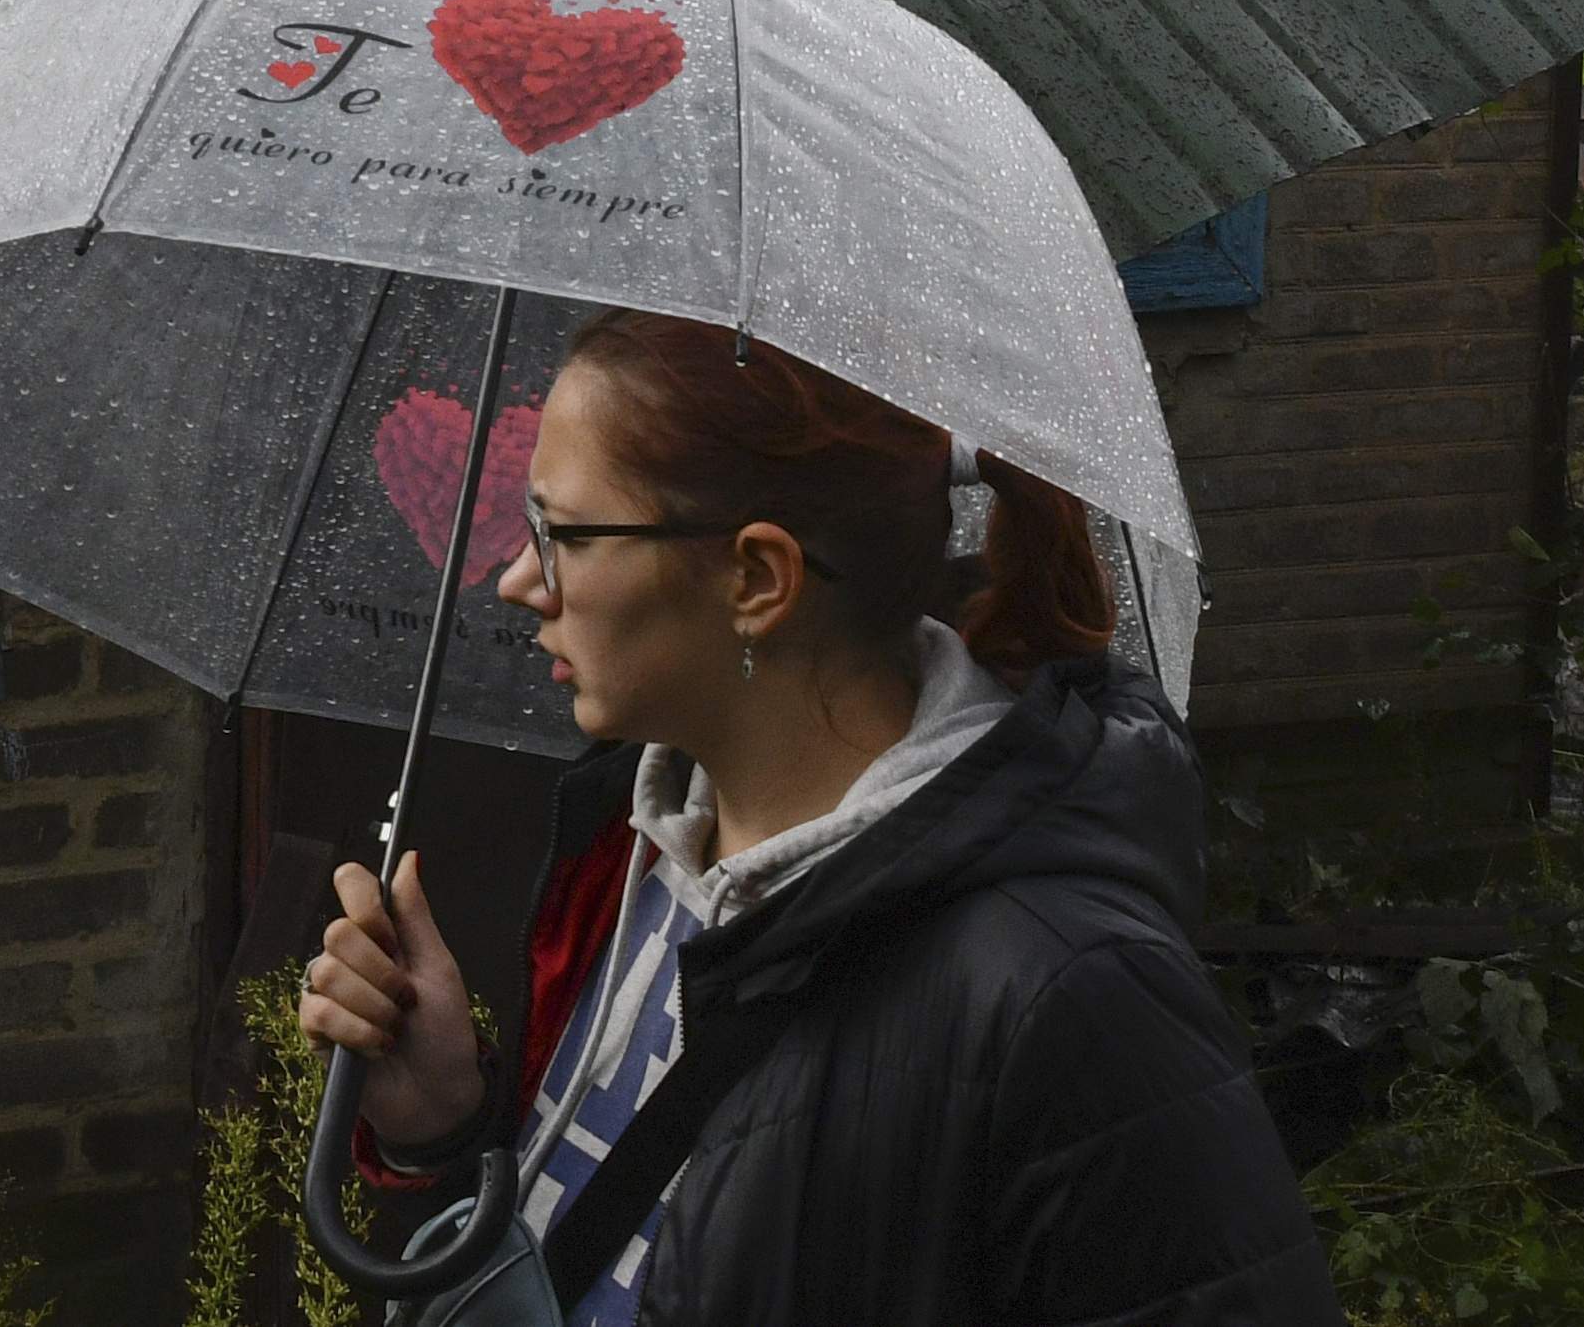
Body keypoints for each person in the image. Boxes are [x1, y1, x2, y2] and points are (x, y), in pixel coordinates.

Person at [298, 309, 1329, 1324]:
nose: (519, 581)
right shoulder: (639, 853)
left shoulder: (1069, 993)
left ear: (755, 578)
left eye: (559, 533)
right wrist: (443, 1126)